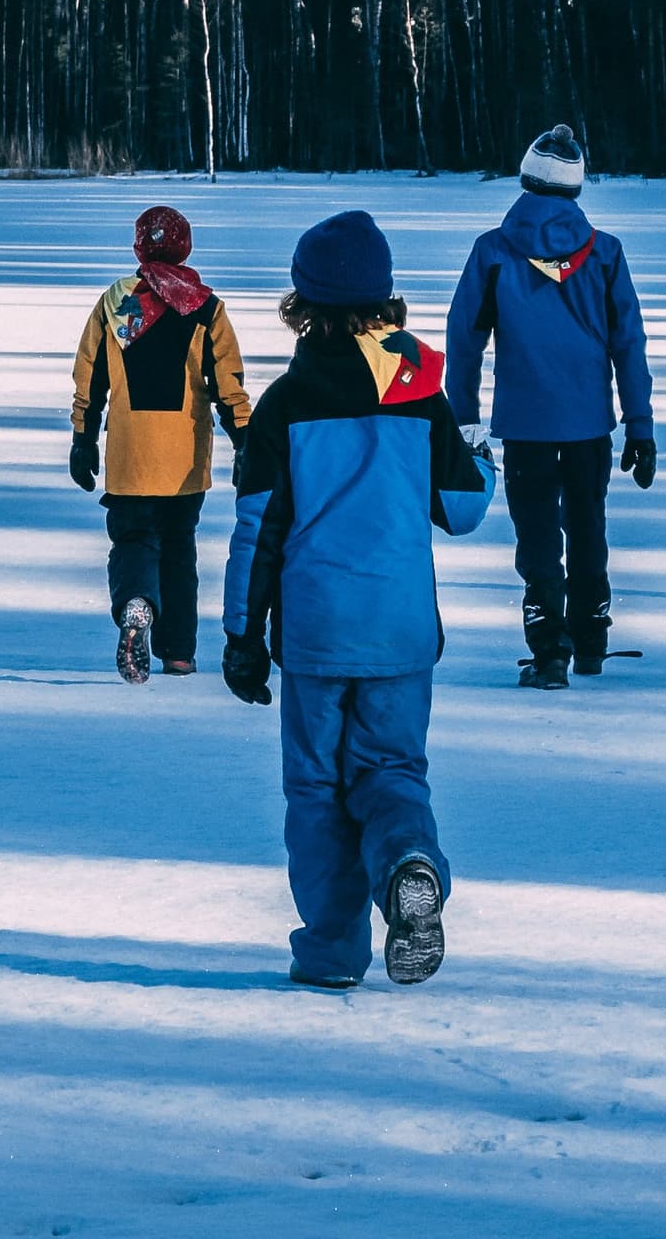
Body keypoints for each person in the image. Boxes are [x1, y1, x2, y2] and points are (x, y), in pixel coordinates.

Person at [222, 209, 493, 990]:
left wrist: (242, 636)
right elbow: (466, 509)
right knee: (392, 772)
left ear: (301, 305)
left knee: (314, 792)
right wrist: (479, 458)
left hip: (314, 633)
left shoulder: (284, 405)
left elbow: (256, 533)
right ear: (385, 303)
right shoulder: (419, 399)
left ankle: (333, 952)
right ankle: (409, 860)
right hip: (401, 632)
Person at [445, 125, 656, 686]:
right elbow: (628, 344)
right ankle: (590, 639)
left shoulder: (493, 251)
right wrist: (640, 426)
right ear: (575, 186)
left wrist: (463, 419)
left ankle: (549, 651)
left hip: (526, 425)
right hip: (589, 424)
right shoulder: (605, 252)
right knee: (588, 526)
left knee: (537, 533)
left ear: (526, 177)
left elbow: (464, 339)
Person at [70, 203, 256, 681]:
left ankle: (136, 602)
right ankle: (178, 653)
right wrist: (246, 440)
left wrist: (83, 438)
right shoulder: (205, 307)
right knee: (179, 550)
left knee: (134, 540)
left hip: (131, 458)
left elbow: (91, 378)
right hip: (184, 460)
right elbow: (227, 384)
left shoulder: (117, 305)